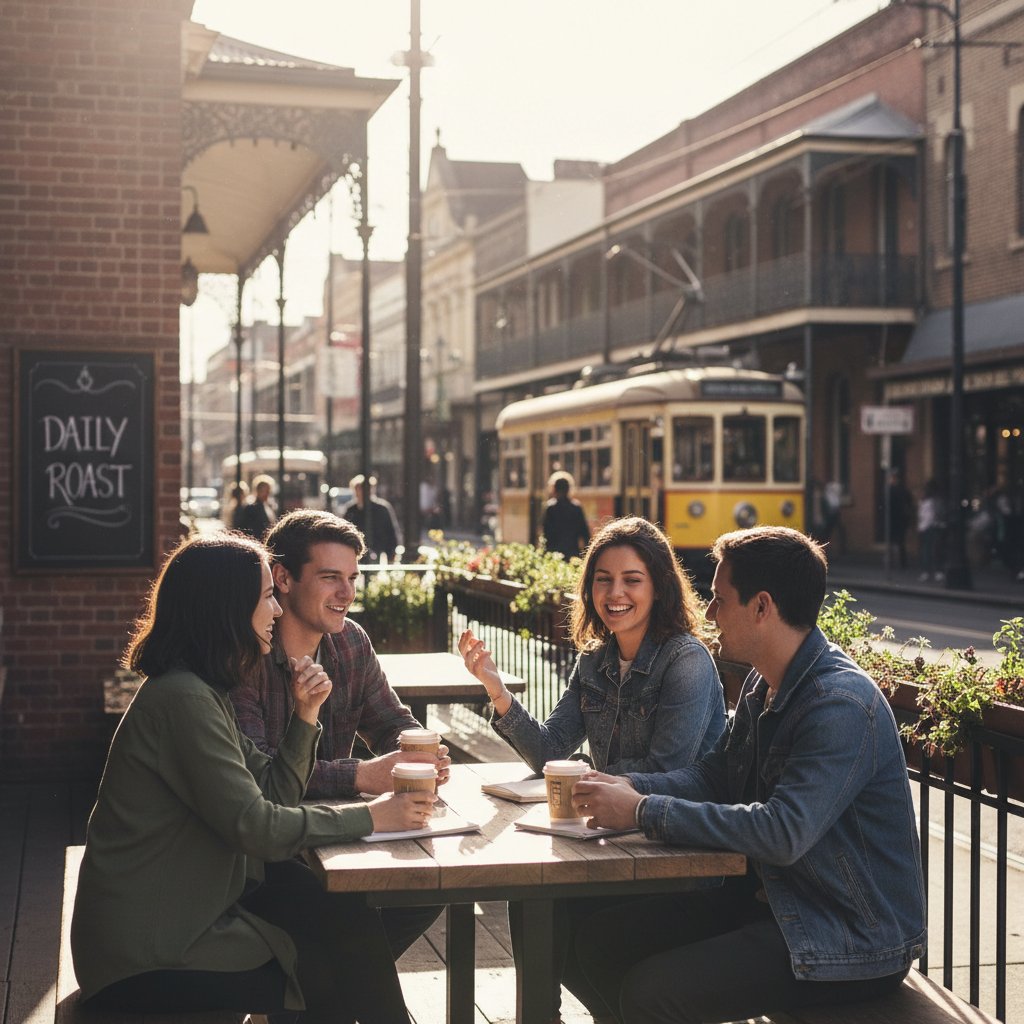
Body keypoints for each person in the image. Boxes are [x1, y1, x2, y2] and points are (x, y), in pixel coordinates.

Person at [71, 533, 434, 1024]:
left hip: (182, 923)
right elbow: (258, 829)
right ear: (226, 607)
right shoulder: (184, 700)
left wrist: (306, 716)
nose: (276, 611)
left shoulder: (199, 692)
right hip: (148, 951)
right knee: (330, 963)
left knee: (344, 933)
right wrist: (372, 816)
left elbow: (273, 795)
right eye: (266, 596)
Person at [572, 526, 926, 1024]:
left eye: (719, 600)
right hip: (779, 902)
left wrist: (642, 810)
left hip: (847, 935)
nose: (710, 614)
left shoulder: (839, 704)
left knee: (653, 993)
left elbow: (782, 832)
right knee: (597, 941)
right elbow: (717, 775)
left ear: (761, 607)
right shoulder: (766, 683)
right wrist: (631, 788)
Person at [458, 515, 727, 1019]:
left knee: (553, 909)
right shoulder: (594, 661)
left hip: (679, 855)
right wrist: (496, 689)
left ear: (659, 587)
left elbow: (674, 771)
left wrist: (591, 781)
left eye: (631, 580)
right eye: (603, 579)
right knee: (529, 892)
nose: (614, 592)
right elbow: (549, 751)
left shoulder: (684, 660)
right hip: (613, 844)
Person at [232, 508, 451, 799]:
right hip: (273, 834)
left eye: (352, 578)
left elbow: (391, 723)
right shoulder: (245, 654)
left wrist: (416, 755)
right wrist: (361, 775)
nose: (347, 593)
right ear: (283, 579)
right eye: (331, 577)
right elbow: (259, 774)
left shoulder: (351, 641)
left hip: (341, 830)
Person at [342, 473, 402, 563]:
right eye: (359, 489)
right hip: (356, 552)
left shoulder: (382, 509)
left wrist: (391, 555)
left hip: (377, 549)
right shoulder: (351, 510)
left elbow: (391, 533)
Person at [541, 470, 591, 561]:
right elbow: (585, 533)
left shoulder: (550, 508)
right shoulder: (576, 507)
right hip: (572, 552)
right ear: (569, 489)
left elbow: (546, 533)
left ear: (554, 489)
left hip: (554, 553)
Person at [917, 478, 946, 582]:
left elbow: (921, 515)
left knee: (927, 550)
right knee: (936, 550)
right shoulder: (936, 500)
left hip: (924, 527)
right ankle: (938, 571)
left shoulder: (923, 500)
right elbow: (939, 513)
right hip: (934, 526)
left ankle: (926, 572)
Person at [236, 473, 277, 540]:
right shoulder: (251, 508)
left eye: (268, 491)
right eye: (264, 491)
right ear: (257, 491)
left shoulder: (269, 506)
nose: (267, 493)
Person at [886, 469, 913, 569]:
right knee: (899, 542)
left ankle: (894, 563)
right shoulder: (903, 490)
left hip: (894, 519)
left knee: (894, 542)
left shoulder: (891, 490)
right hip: (900, 519)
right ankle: (900, 563)